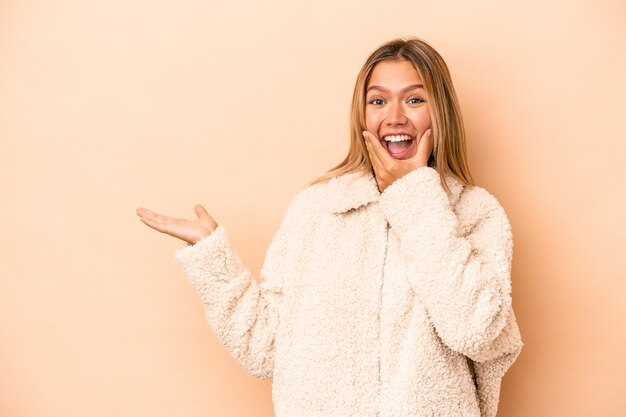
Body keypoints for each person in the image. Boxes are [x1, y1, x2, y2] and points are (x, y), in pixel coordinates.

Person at [136, 37, 522, 417]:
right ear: (362, 113)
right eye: (378, 100)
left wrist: (415, 198)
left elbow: (477, 330)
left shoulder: (475, 212)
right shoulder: (317, 209)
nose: (395, 117)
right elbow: (266, 349)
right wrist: (214, 263)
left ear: (441, 112)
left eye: (415, 99)